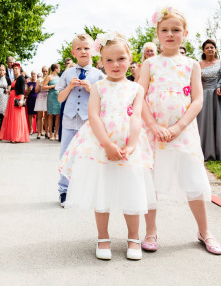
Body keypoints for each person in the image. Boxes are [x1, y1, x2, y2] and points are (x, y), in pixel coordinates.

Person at [59, 32, 156, 260]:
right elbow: (93, 116)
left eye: (121, 58)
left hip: (128, 146)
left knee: (131, 189)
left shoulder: (136, 89)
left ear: (130, 58)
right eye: (109, 60)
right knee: (102, 190)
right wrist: (107, 145)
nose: (115, 64)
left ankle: (133, 238)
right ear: (101, 61)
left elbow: (136, 118)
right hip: (100, 144)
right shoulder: (98, 87)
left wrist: (131, 145)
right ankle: (103, 237)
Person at [138, 7, 221, 255]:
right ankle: (151, 231)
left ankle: (204, 231)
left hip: (183, 131)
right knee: (151, 181)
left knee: (193, 179)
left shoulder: (191, 64)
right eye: (164, 30)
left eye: (176, 30)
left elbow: (197, 100)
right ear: (157, 33)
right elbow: (139, 95)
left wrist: (178, 126)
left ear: (185, 33)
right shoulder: (150, 63)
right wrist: (154, 126)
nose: (170, 34)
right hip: (154, 131)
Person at [56, 33, 104, 207]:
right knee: (66, 155)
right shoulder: (67, 73)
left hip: (89, 122)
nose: (83, 51)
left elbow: (105, 100)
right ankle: (64, 190)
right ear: (73, 52)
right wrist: (69, 86)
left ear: (93, 51)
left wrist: (91, 89)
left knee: (90, 155)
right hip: (69, 120)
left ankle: (87, 190)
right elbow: (60, 98)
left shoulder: (99, 75)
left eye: (86, 48)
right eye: (79, 48)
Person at [197, 39, 221, 161]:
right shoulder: (198, 64)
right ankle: (204, 152)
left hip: (217, 96)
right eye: (207, 48)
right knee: (204, 121)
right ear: (203, 50)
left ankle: (219, 152)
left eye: (212, 47)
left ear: (215, 49)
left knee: (219, 121)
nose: (210, 49)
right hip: (204, 95)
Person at [0, 63, 30, 143]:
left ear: (19, 69)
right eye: (13, 69)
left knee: (17, 118)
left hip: (17, 99)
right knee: (13, 118)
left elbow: (23, 90)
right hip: (12, 99)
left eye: (16, 68)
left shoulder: (21, 78)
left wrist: (21, 100)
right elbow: (14, 88)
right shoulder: (16, 79)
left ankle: (17, 136)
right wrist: (9, 91)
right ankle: (13, 136)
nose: (14, 70)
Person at [0, 64, 11, 140]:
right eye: (0, 69)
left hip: (4, 98)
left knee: (3, 116)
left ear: (5, 71)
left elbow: (9, 88)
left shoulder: (7, 78)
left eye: (3, 70)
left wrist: (8, 91)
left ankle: (1, 134)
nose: (1, 71)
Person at [43, 64, 61, 141]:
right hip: (51, 96)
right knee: (50, 115)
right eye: (59, 68)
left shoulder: (59, 77)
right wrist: (53, 86)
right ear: (55, 69)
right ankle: (51, 133)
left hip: (58, 97)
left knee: (58, 115)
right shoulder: (49, 77)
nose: (60, 69)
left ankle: (56, 133)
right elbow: (43, 87)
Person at [34, 66, 49, 139]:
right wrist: (39, 85)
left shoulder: (49, 79)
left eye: (46, 71)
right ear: (42, 71)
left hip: (47, 97)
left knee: (46, 116)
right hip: (40, 97)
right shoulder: (38, 80)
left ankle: (46, 133)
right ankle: (39, 133)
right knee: (39, 116)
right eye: (44, 71)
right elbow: (36, 91)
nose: (45, 73)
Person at [26, 71, 38, 135]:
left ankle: (39, 130)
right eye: (32, 74)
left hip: (37, 99)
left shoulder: (38, 82)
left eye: (34, 74)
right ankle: (31, 129)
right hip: (30, 99)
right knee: (30, 114)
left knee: (39, 115)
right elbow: (26, 94)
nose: (33, 75)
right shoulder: (29, 83)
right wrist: (29, 90)